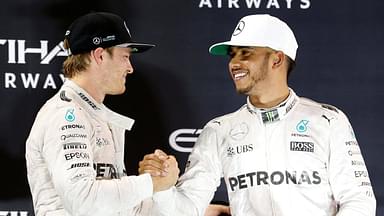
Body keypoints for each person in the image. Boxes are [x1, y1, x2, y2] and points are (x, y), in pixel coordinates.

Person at [139, 14, 377, 215]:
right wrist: (162, 187)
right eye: (232, 54)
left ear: (277, 59)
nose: (234, 63)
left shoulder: (328, 120)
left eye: (246, 53)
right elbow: (186, 208)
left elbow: (359, 200)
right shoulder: (219, 129)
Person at [25, 12, 179, 216]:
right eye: (125, 57)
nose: (130, 68)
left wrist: (163, 188)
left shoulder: (96, 116)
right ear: (99, 55)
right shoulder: (66, 114)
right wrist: (151, 183)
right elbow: (83, 201)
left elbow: (119, 209)